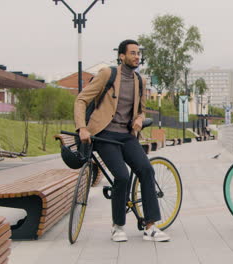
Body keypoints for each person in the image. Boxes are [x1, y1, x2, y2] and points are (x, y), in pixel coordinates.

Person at [74, 39, 170, 242]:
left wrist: (139, 118)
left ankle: (150, 226)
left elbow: (142, 110)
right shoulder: (108, 74)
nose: (137, 56)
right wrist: (82, 127)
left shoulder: (140, 81)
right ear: (122, 56)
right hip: (104, 134)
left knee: (146, 170)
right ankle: (118, 226)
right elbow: (81, 99)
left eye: (138, 53)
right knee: (122, 176)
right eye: (133, 53)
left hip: (127, 136)